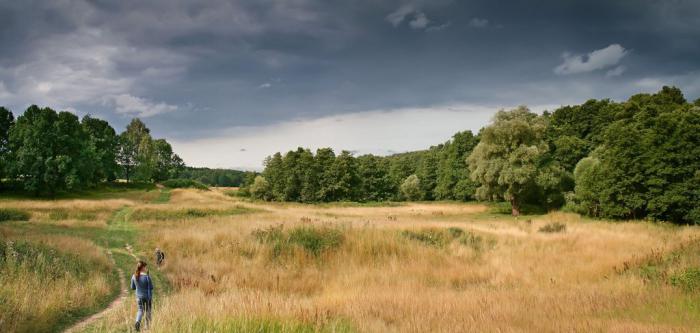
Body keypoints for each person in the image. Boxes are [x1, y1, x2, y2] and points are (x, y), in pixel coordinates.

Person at [130, 260, 154, 332]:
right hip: (147, 297)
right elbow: (151, 287)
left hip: (138, 297)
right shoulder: (147, 277)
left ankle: (137, 322)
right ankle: (147, 327)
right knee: (148, 311)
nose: (146, 268)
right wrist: (149, 277)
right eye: (145, 267)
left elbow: (132, 287)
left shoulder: (134, 276)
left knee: (140, 310)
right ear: (143, 267)